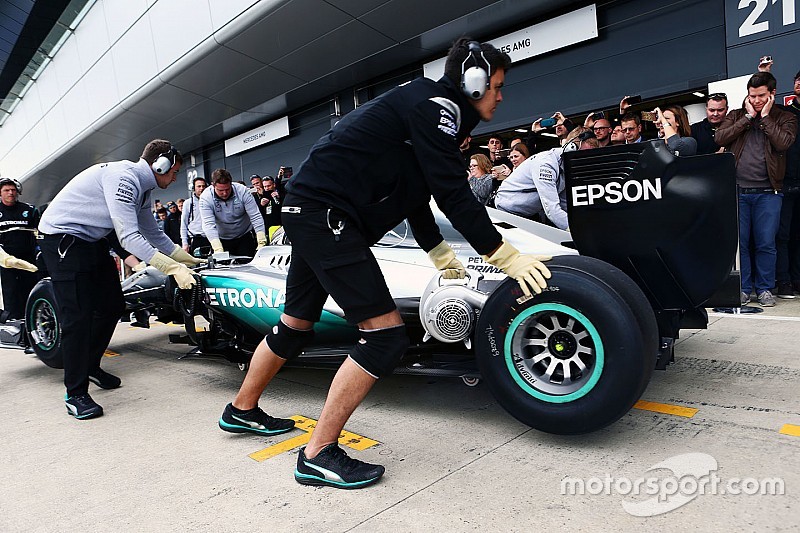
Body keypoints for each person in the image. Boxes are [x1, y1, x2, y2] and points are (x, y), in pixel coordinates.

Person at [217, 37, 551, 489]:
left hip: (310, 213)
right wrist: (503, 254)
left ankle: (240, 410)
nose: (500, 95)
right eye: (495, 85)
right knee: (386, 338)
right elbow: (454, 194)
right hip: (326, 217)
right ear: (472, 83)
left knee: (295, 325)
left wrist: (440, 255)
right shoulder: (439, 108)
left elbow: (416, 194)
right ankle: (317, 454)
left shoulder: (424, 107)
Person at [37, 139, 201, 419]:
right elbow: (128, 238)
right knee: (77, 317)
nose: (175, 177)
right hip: (62, 240)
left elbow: (153, 234)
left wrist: (187, 260)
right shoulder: (124, 178)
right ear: (160, 164)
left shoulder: (143, 187)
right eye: (174, 171)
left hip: (90, 239)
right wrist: (172, 269)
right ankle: (75, 393)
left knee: (113, 305)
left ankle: (89, 365)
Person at [715, 72, 797, 307]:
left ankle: (765, 289)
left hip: (769, 192)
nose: (756, 100)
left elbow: (783, 143)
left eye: (761, 96)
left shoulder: (785, 117)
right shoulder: (737, 115)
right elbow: (720, 137)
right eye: (752, 96)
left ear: (772, 94)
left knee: (766, 243)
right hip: (738, 191)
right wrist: (748, 117)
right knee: (741, 244)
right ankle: (743, 288)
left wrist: (765, 117)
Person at [495, 127, 592, 229]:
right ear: (570, 148)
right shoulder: (545, 164)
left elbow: (564, 204)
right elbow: (552, 209)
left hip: (526, 213)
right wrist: (580, 230)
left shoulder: (566, 166)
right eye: (582, 155)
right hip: (506, 211)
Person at [199, 168, 267, 256]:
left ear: (231, 184)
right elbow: (208, 225)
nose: (224, 193)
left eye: (227, 189)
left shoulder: (242, 191)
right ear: (213, 185)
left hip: (244, 236)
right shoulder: (205, 198)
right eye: (220, 190)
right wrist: (218, 248)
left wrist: (261, 241)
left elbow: (255, 216)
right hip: (221, 239)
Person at [776, 70, 800, 298]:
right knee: (782, 235)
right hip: (785, 182)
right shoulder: (785, 112)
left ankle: (797, 279)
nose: (799, 83)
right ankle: (784, 281)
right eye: (797, 80)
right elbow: (765, 104)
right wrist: (765, 74)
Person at [0, 177, 39, 318]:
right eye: (6, 190)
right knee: (10, 294)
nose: (10, 193)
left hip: (29, 260)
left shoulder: (30, 210)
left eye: (13, 190)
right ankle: (12, 323)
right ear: (0, 193)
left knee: (31, 291)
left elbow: (39, 233)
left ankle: (33, 319)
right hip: (6, 263)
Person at [181, 176, 210, 255]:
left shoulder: (211, 200)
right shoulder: (188, 203)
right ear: (194, 188)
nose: (201, 188)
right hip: (196, 239)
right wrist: (185, 243)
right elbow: (184, 224)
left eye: (203, 186)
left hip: (211, 237)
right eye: (199, 186)